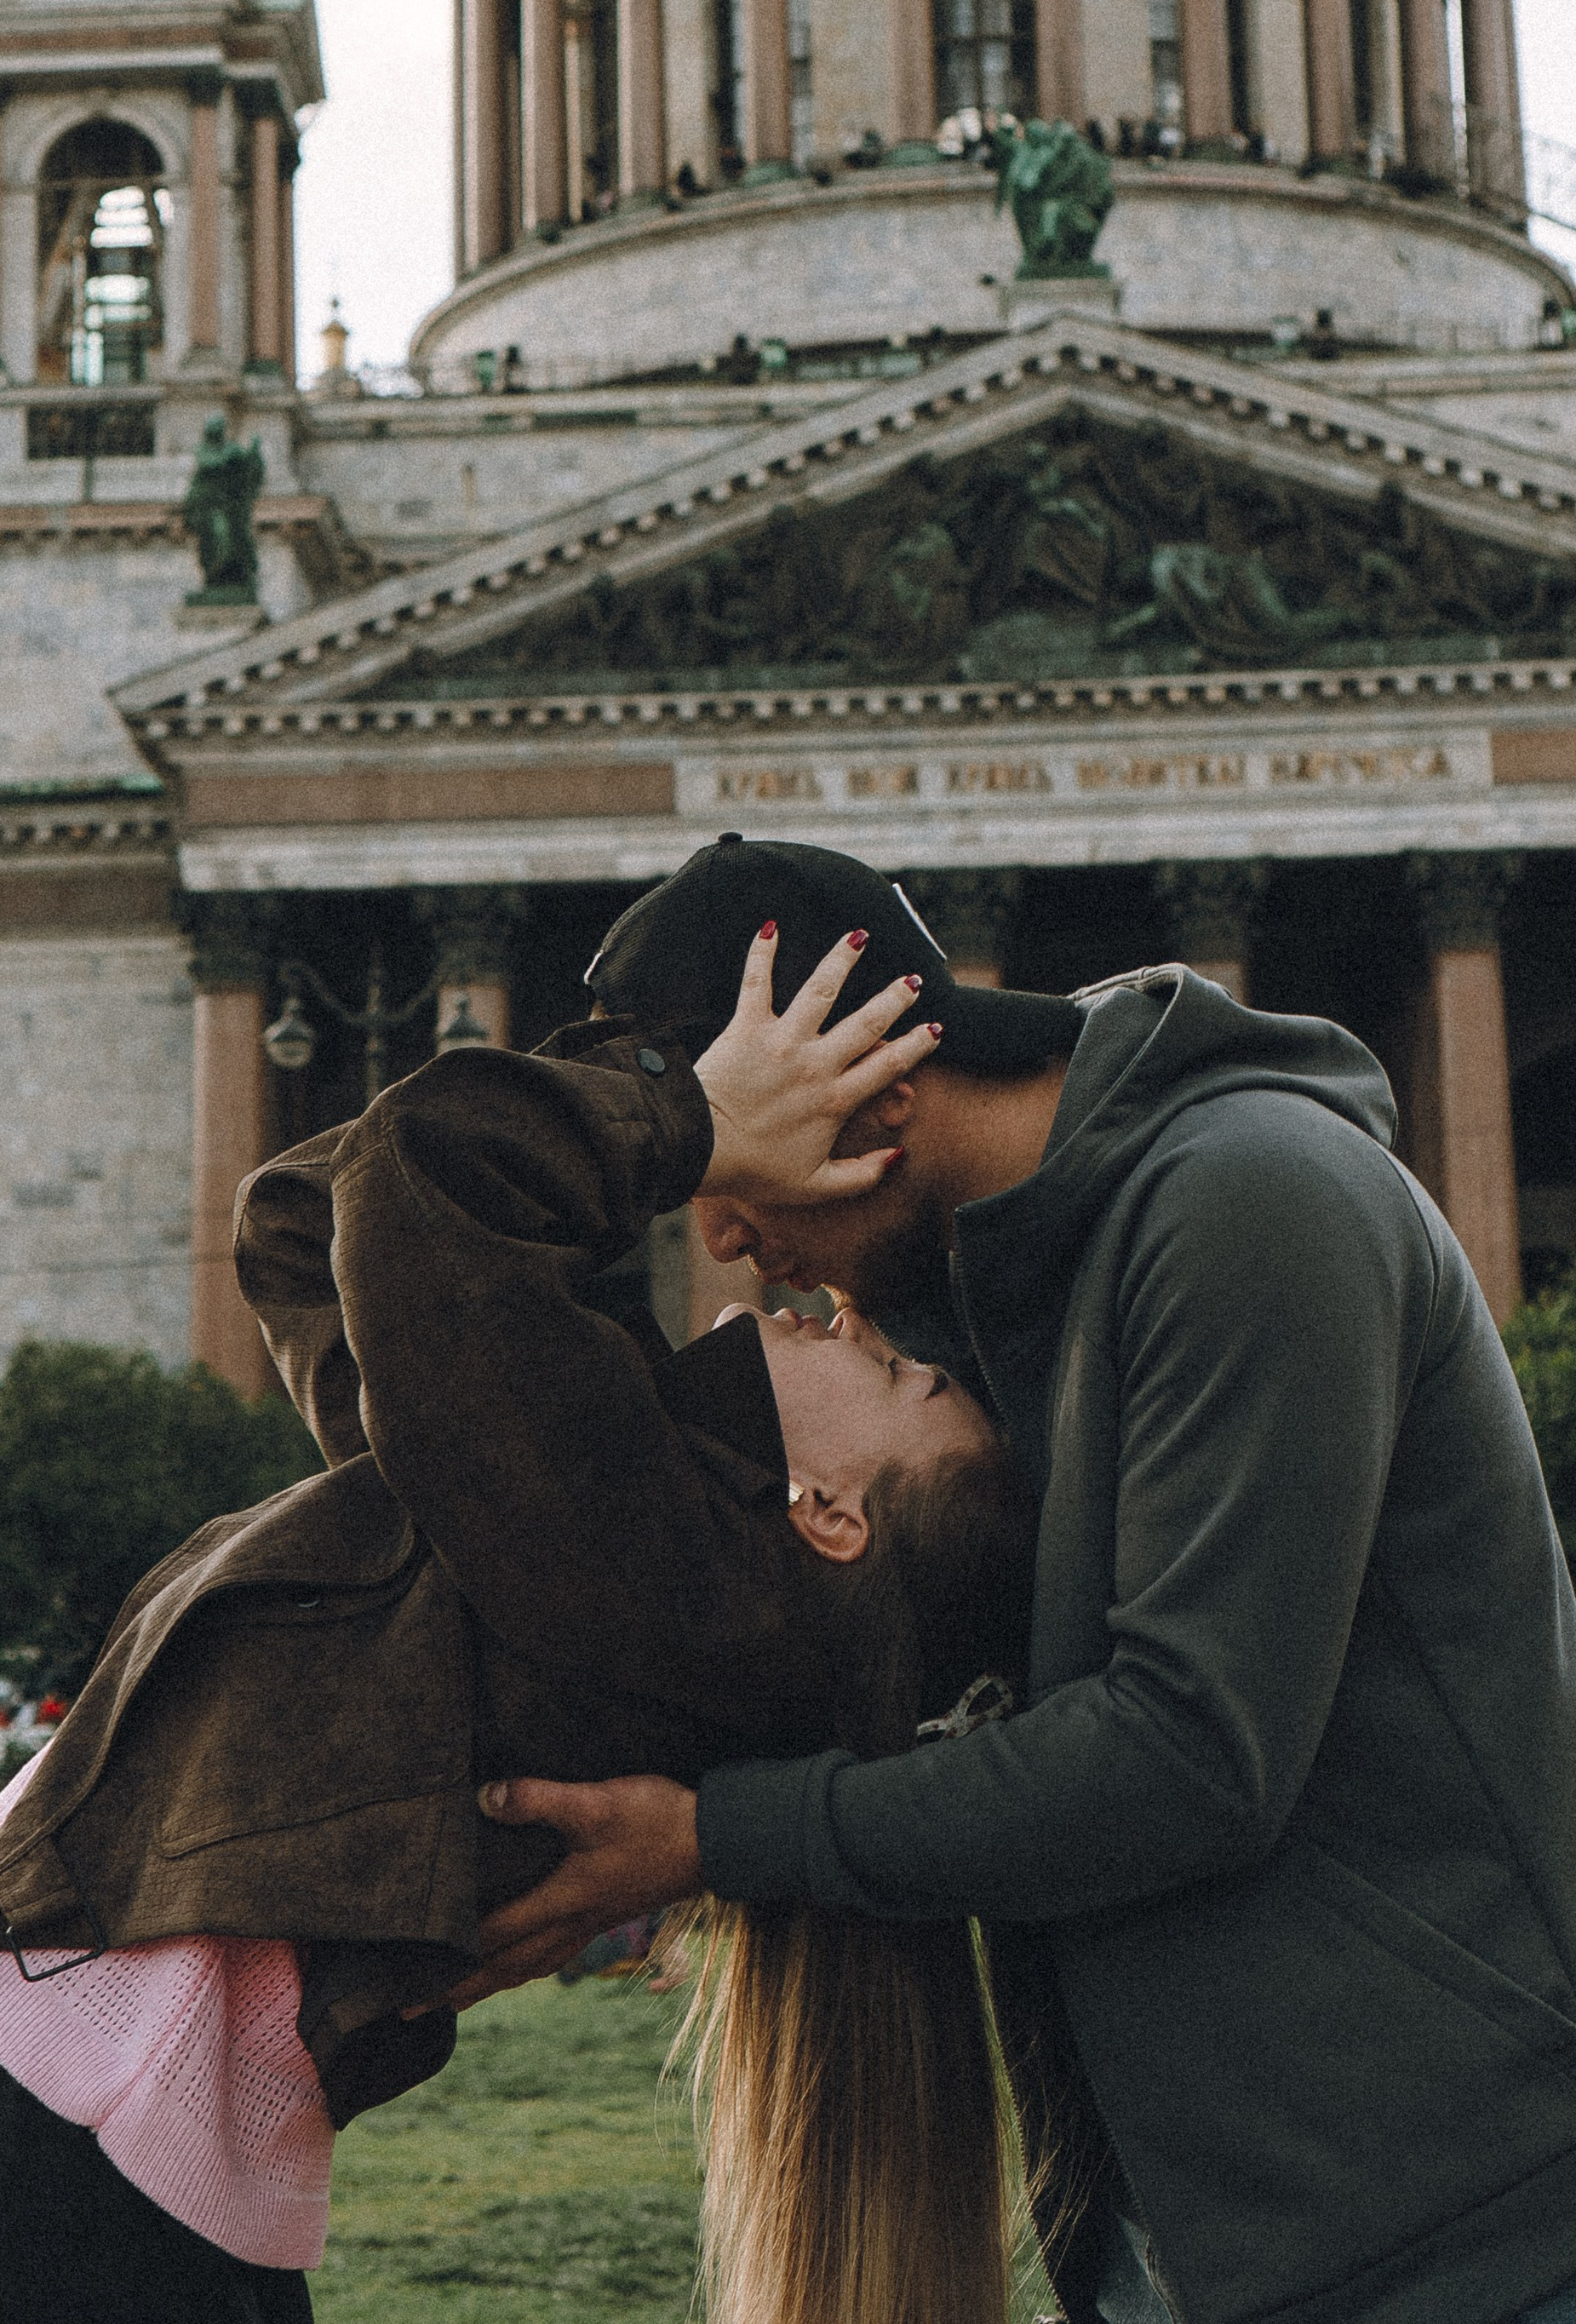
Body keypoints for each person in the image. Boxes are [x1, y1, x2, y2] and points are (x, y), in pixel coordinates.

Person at [0, 945, 1037, 2324]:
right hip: (103, 2123)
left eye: (903, 1375)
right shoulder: (569, 1529)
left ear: (833, 1517)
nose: (852, 1318)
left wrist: (692, 1112)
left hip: (42, 2114)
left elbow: (424, 1182)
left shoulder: (667, 1578)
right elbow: (311, 1215)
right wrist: (661, 1061)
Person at [466, 835, 1576, 2324]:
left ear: (878, 1094)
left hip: (1458, 2221)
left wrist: (720, 1836)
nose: (720, 1241)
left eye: (721, 1171)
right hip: (1200, 2234)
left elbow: (1194, 1755)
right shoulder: (980, 1321)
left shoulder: (1253, 1199)